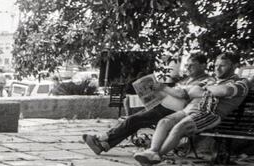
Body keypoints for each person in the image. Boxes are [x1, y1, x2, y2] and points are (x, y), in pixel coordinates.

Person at [134, 52, 249, 166]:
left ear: (234, 66)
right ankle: (152, 151)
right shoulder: (212, 81)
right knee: (164, 122)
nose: (217, 69)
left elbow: (225, 91)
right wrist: (210, 90)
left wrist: (202, 91)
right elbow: (189, 92)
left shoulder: (241, 83)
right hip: (189, 110)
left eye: (222, 66)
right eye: (215, 66)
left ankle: (154, 157)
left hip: (209, 113)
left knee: (179, 128)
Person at [82, 53, 212, 155]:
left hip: (177, 112)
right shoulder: (187, 79)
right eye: (187, 65)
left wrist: (162, 87)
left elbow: (183, 95)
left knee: (134, 120)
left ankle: (103, 140)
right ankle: (104, 143)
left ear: (203, 65)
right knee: (134, 121)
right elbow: (175, 94)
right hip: (166, 107)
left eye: (192, 65)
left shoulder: (206, 81)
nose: (188, 67)